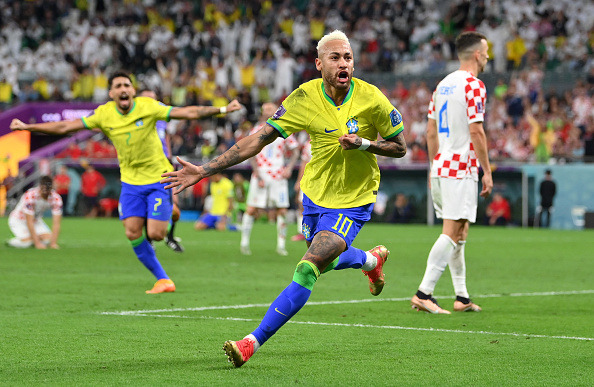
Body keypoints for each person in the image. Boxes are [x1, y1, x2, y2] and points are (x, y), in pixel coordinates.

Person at [161, 30, 406, 367]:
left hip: (354, 198)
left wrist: (366, 144)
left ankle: (251, 342)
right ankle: (370, 261)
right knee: (327, 259)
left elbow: (400, 146)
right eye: (335, 58)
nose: (343, 63)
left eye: (347, 57)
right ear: (320, 64)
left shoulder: (372, 98)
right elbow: (258, 138)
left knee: (307, 268)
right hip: (315, 195)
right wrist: (205, 169)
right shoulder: (304, 97)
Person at [10, 70, 242, 294]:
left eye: (126, 85)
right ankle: (163, 279)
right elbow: (64, 126)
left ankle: (165, 218)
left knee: (157, 234)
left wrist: (222, 109)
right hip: (131, 183)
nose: (123, 89)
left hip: (158, 178)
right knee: (132, 233)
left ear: (132, 90)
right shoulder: (104, 114)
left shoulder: (148, 106)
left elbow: (188, 113)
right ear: (111, 93)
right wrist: (29, 127)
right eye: (118, 86)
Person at [411, 31, 493, 315]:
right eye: (486, 51)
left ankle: (462, 296)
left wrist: (436, 165)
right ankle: (424, 293)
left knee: (461, 231)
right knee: (452, 230)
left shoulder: (442, 85)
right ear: (476, 55)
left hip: (441, 166)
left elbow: (430, 131)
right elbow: (476, 130)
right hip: (461, 168)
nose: (488, 56)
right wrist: (487, 171)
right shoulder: (474, 85)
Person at [240, 102, 300, 256]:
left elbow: (295, 151)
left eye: (270, 108)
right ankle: (244, 243)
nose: (267, 111)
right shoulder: (255, 130)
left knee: (281, 210)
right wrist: (257, 173)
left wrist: (289, 168)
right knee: (252, 208)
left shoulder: (284, 129)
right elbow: (250, 153)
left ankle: (281, 245)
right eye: (265, 109)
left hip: (278, 176)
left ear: (276, 111)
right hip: (260, 174)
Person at [138, 88, 184, 253]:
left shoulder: (161, 117)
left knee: (176, 209)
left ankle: (170, 237)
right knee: (146, 206)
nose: (152, 102)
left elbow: (166, 138)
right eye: (147, 99)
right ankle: (149, 240)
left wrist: (170, 159)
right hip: (145, 167)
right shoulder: (136, 119)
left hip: (164, 165)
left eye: (154, 99)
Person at [6, 175, 62, 249]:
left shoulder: (56, 198)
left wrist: (53, 243)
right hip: (19, 220)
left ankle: (32, 238)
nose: (45, 193)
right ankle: (12, 242)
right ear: (40, 187)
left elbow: (56, 223)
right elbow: (29, 221)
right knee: (27, 243)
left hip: (36, 221)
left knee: (48, 239)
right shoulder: (30, 195)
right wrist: (37, 243)